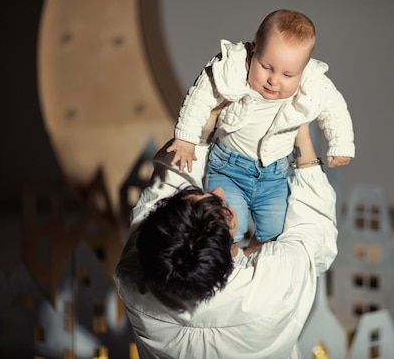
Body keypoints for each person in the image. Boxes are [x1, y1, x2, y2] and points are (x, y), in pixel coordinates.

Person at [114, 123, 338, 359]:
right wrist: (302, 137)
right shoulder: (275, 285)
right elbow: (314, 230)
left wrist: (199, 129)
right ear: (232, 234)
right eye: (223, 206)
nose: (220, 190)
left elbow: (161, 193)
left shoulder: (132, 278)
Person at [166, 9, 354, 248]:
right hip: (228, 169)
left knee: (274, 233)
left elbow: (335, 108)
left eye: (288, 74)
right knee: (224, 227)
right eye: (266, 66)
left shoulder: (313, 84)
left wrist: (341, 143)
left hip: (273, 176)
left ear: (303, 70)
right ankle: (228, 265)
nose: (273, 80)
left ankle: (251, 259)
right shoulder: (235, 70)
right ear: (253, 51)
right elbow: (199, 97)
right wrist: (186, 138)